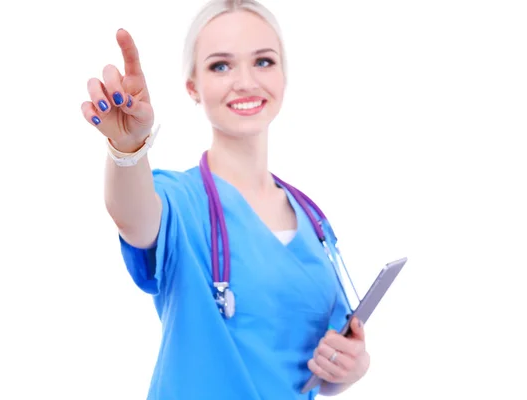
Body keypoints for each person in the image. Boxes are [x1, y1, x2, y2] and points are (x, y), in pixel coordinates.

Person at [81, 0, 370, 398]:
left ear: (284, 75)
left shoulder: (314, 222)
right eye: (221, 65)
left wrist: (350, 368)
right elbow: (132, 215)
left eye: (264, 62)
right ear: (193, 86)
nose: (246, 81)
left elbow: (316, 365)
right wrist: (128, 147)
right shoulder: (181, 201)